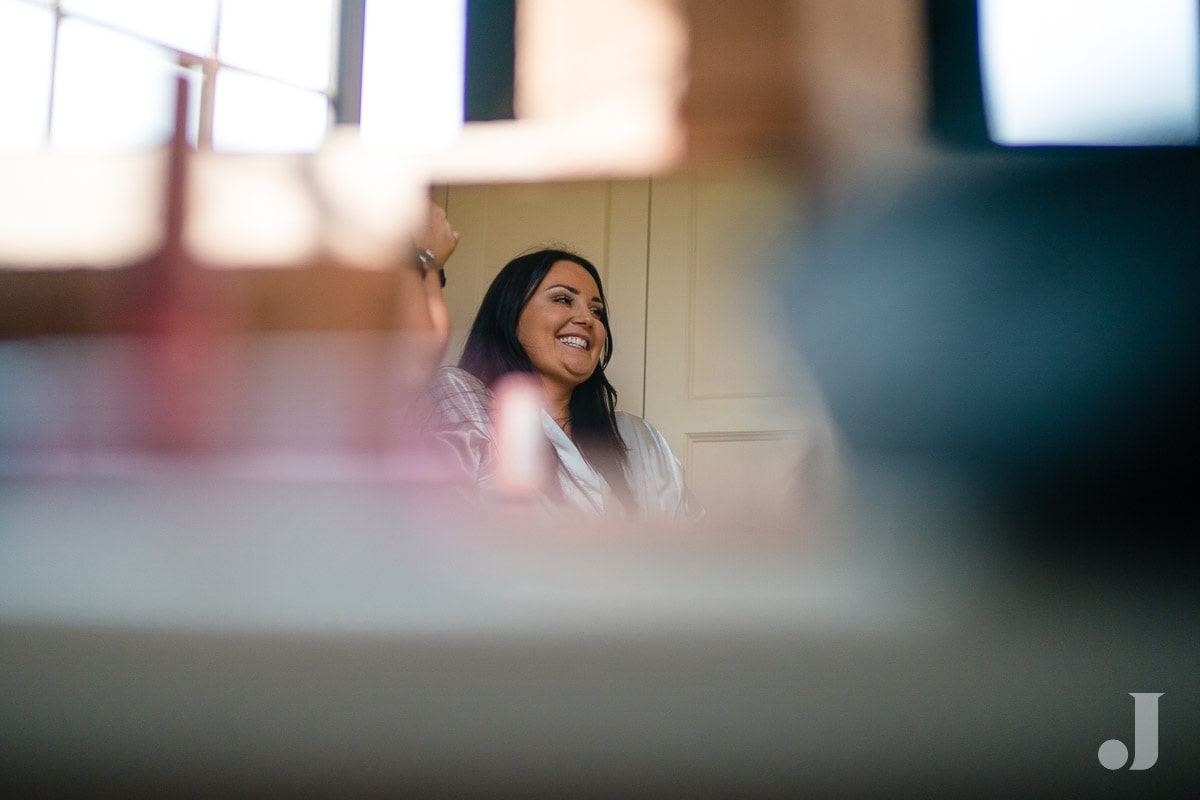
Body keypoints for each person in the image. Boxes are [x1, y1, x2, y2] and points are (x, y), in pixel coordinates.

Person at [423, 248, 701, 520]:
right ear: (510, 314)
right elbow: (436, 532)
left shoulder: (642, 439)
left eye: (596, 311)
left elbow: (693, 547)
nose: (587, 319)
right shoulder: (462, 400)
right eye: (563, 299)